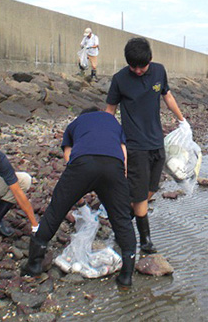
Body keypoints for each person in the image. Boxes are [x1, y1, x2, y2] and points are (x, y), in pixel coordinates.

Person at [21, 106, 136, 288]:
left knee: (56, 211)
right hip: (114, 166)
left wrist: (74, 186)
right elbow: (123, 154)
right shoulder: (113, 122)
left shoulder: (76, 123)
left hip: (83, 164)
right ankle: (126, 276)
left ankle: (34, 264)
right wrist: (120, 178)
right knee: (121, 218)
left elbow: (68, 156)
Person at [105, 37, 187, 254]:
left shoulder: (159, 71)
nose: (139, 71)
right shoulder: (120, 79)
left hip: (156, 143)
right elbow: (110, 111)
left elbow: (167, 96)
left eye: (143, 66)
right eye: (134, 67)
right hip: (134, 146)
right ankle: (145, 241)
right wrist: (107, 140)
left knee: (152, 189)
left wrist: (182, 120)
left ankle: (121, 223)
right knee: (140, 195)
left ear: (150, 60)